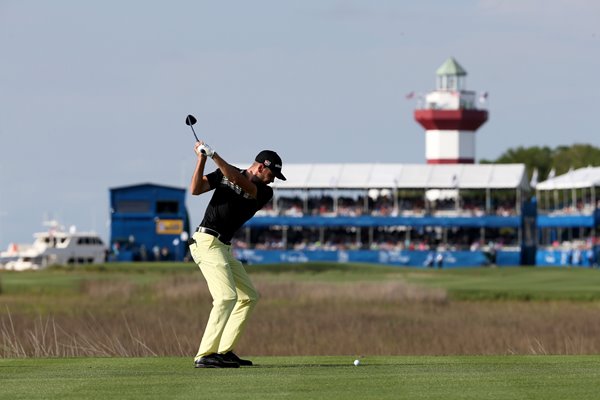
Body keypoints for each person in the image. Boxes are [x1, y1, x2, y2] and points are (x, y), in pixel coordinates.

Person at [188, 140, 286, 368]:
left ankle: (224, 350)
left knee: (249, 296)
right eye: (272, 174)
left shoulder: (263, 192)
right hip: (207, 242)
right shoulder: (224, 173)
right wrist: (201, 159)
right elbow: (196, 189)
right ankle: (205, 354)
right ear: (261, 167)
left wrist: (214, 155)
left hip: (223, 247)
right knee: (226, 297)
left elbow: (238, 181)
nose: (273, 179)